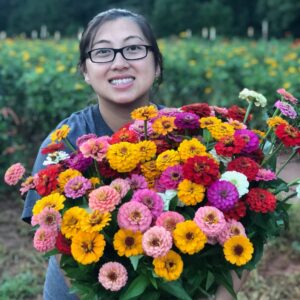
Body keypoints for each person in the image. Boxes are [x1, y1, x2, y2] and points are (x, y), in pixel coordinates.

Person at [22, 8, 247, 300]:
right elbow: (55, 243)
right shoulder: (64, 145)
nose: (119, 62)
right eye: (103, 52)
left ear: (156, 65)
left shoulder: (188, 136)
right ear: (85, 71)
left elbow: (245, 231)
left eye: (133, 48)